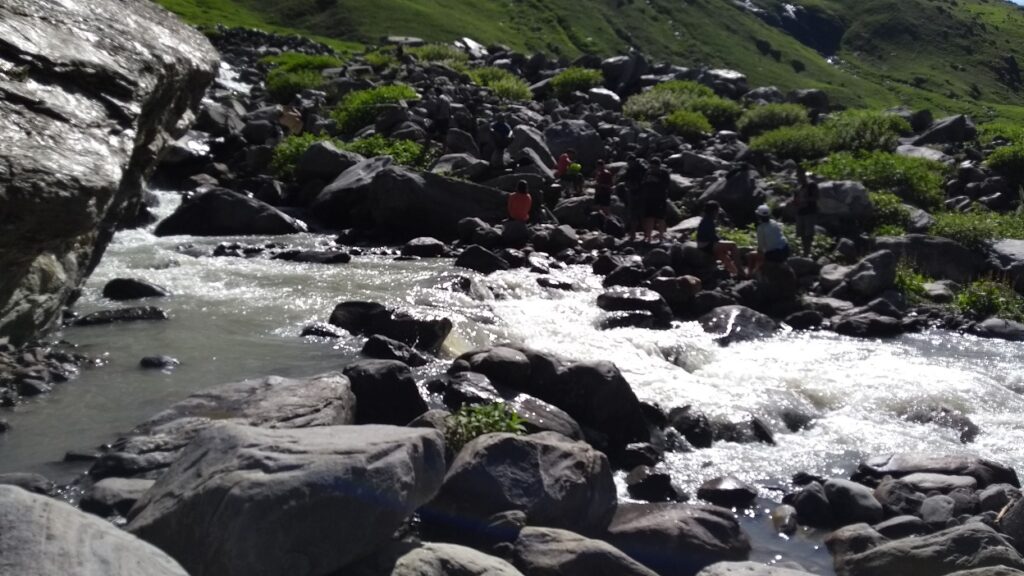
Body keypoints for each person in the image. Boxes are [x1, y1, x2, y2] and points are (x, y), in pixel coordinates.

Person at [696, 201, 740, 277]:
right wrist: (721, 243)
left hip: (704, 244)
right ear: (714, 211)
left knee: (724, 256)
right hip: (706, 244)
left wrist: (721, 242)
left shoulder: (706, 219)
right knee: (733, 245)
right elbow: (711, 237)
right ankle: (740, 269)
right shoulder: (708, 221)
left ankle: (734, 271)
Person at [748, 204, 791, 275]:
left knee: (751, 255)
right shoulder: (774, 223)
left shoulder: (761, 228)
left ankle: (750, 274)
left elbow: (760, 248)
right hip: (786, 250)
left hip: (775, 254)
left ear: (758, 216)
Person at [641, 157, 670, 243]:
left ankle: (661, 237)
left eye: (655, 167)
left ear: (659, 166)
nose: (653, 169)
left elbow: (667, 185)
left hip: (660, 198)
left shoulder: (664, 173)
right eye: (651, 167)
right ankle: (649, 237)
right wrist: (647, 181)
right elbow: (643, 184)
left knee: (661, 218)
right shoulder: (648, 173)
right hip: (649, 198)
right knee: (649, 218)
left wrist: (657, 180)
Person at [621, 154, 648, 240]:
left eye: (630, 162)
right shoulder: (630, 169)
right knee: (633, 215)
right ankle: (633, 234)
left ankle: (645, 234)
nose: (629, 164)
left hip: (641, 194)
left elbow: (645, 181)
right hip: (632, 193)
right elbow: (626, 180)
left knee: (642, 215)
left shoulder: (642, 169)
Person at [794, 170, 819, 257]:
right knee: (801, 233)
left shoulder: (812, 185)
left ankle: (807, 252)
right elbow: (795, 199)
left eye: (800, 175)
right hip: (800, 212)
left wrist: (805, 199)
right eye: (798, 176)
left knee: (808, 233)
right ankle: (805, 251)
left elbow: (816, 197)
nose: (799, 178)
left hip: (809, 212)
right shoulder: (799, 187)